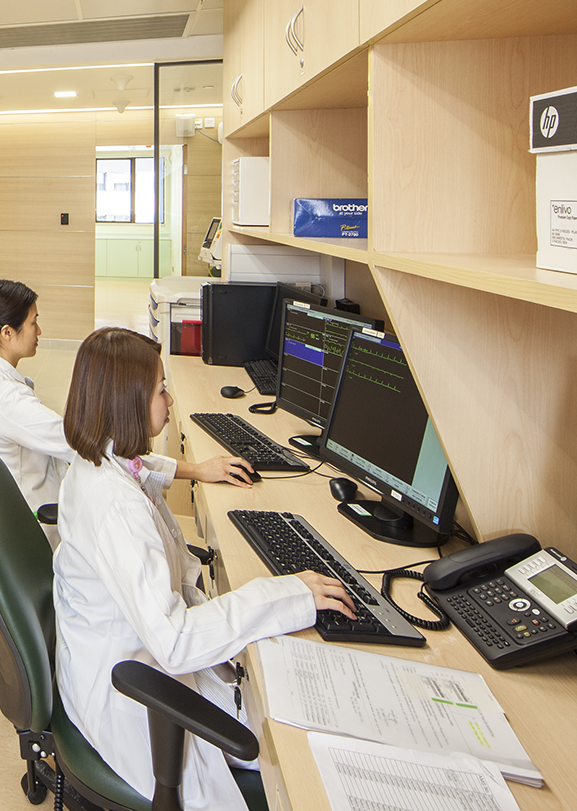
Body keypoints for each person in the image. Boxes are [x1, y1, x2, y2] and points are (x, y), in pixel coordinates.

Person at [54, 327, 356, 809]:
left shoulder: (96, 458)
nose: (170, 399)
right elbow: (174, 643)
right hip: (132, 694)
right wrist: (285, 593)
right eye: (160, 389)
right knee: (297, 751)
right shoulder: (115, 509)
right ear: (128, 403)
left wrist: (195, 469)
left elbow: (139, 464)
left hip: (114, 656)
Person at [0, 280, 253, 542]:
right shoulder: (6, 400)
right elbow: (97, 449)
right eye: (33, 322)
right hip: (38, 522)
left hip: (28, 500)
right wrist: (196, 470)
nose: (40, 329)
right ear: (7, 333)